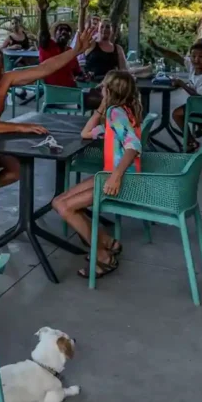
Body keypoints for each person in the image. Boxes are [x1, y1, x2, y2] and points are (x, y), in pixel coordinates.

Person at [0, 33, 93, 226]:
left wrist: (76, 51)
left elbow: (44, 68)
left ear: (2, 68)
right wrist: (22, 126)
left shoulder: (5, 80)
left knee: (19, 171)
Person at [53, 71, 144, 280]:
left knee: (64, 206)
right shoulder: (120, 112)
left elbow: (133, 145)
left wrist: (116, 177)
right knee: (58, 202)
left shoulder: (116, 114)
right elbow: (85, 134)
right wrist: (101, 108)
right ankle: (108, 242)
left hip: (121, 179)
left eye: (103, 88)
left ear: (109, 91)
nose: (100, 90)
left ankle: (103, 256)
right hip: (110, 175)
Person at [148, 39, 202, 151]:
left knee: (176, 114)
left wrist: (182, 84)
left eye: (200, 57)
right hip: (198, 105)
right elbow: (175, 56)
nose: (196, 60)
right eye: (193, 56)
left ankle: (191, 141)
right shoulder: (192, 67)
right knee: (185, 109)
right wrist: (157, 47)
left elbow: (199, 96)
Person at [36, 0, 80, 88]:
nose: (64, 32)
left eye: (67, 30)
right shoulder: (47, 45)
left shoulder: (70, 51)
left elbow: (78, 73)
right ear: (55, 34)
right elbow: (44, 32)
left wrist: (85, 76)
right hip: (53, 92)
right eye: (60, 29)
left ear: (70, 36)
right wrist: (43, 12)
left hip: (71, 90)